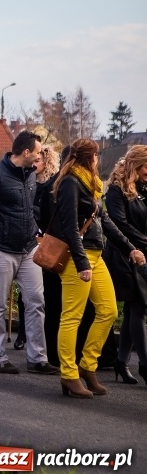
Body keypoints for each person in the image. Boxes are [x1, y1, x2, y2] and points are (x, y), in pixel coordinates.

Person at [51, 139, 143, 398]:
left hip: (96, 253)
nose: (98, 160)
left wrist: (129, 248)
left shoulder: (90, 183)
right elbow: (69, 226)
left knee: (108, 310)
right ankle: (69, 375)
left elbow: (105, 221)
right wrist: (81, 263)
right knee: (72, 316)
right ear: (89, 157)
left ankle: (87, 365)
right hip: (76, 257)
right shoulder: (70, 182)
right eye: (96, 156)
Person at [0, 131, 58, 375]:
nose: (41, 156)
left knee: (36, 302)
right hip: (0, 249)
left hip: (28, 248)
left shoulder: (30, 176)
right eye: (38, 152)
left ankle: (37, 358)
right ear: (26, 152)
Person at [105, 145, 147, 385]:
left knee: (135, 310)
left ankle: (121, 361)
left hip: (141, 253)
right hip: (124, 255)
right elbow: (119, 223)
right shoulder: (115, 189)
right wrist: (141, 242)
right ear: (135, 165)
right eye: (146, 167)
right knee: (138, 307)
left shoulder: (143, 189)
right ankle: (144, 364)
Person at [13, 146, 60, 352]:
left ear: (47, 162)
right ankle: (23, 332)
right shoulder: (27, 181)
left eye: (39, 160)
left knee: (43, 293)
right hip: (30, 239)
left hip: (47, 240)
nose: (34, 164)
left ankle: (42, 337)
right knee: (26, 292)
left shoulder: (52, 185)